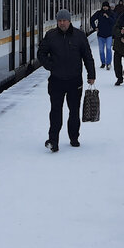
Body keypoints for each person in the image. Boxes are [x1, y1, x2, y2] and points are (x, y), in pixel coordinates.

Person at [37, 8, 96, 152]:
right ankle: (53, 140)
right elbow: (41, 53)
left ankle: (74, 137)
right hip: (56, 80)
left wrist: (91, 74)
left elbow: (87, 56)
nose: (62, 23)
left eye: (64, 20)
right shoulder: (50, 36)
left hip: (74, 81)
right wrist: (50, 66)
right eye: (59, 21)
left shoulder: (79, 36)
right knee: (55, 111)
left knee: (74, 111)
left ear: (69, 21)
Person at [89, 1, 117, 70]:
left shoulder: (111, 13)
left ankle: (108, 63)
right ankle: (103, 63)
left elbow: (114, 22)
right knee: (101, 50)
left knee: (108, 48)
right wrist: (94, 27)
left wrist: (108, 17)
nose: (105, 7)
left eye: (106, 6)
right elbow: (91, 19)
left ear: (108, 7)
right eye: (104, 6)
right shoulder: (99, 13)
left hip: (109, 35)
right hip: (100, 35)